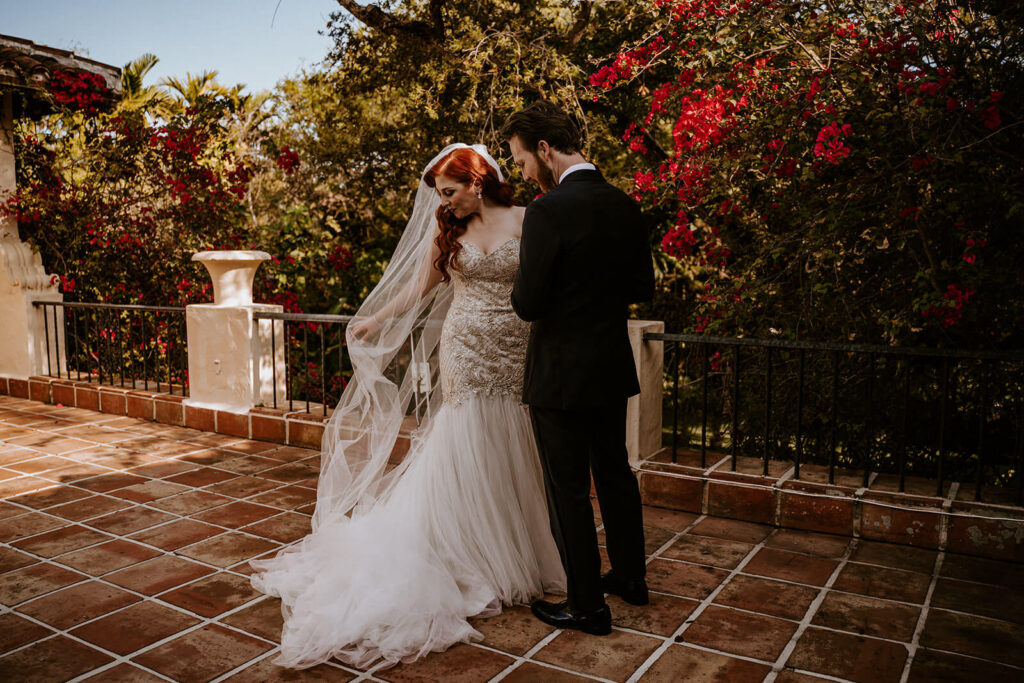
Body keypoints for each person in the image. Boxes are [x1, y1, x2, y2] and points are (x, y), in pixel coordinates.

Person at [250, 144, 565, 670]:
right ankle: (465, 547)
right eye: (440, 196)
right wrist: (376, 321)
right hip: (465, 348)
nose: (444, 205)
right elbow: (420, 287)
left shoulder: (528, 219)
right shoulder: (452, 232)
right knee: (465, 438)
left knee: (513, 437)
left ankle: (517, 549)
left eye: (449, 193)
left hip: (516, 349)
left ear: (478, 182)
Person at [501, 101, 655, 635]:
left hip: (559, 375)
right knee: (614, 473)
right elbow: (642, 288)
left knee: (567, 487)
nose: (522, 173)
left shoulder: (548, 211)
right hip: (610, 366)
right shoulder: (626, 204)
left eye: (522, 161)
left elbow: (527, 303)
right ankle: (631, 579)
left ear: (544, 149)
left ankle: (588, 606)